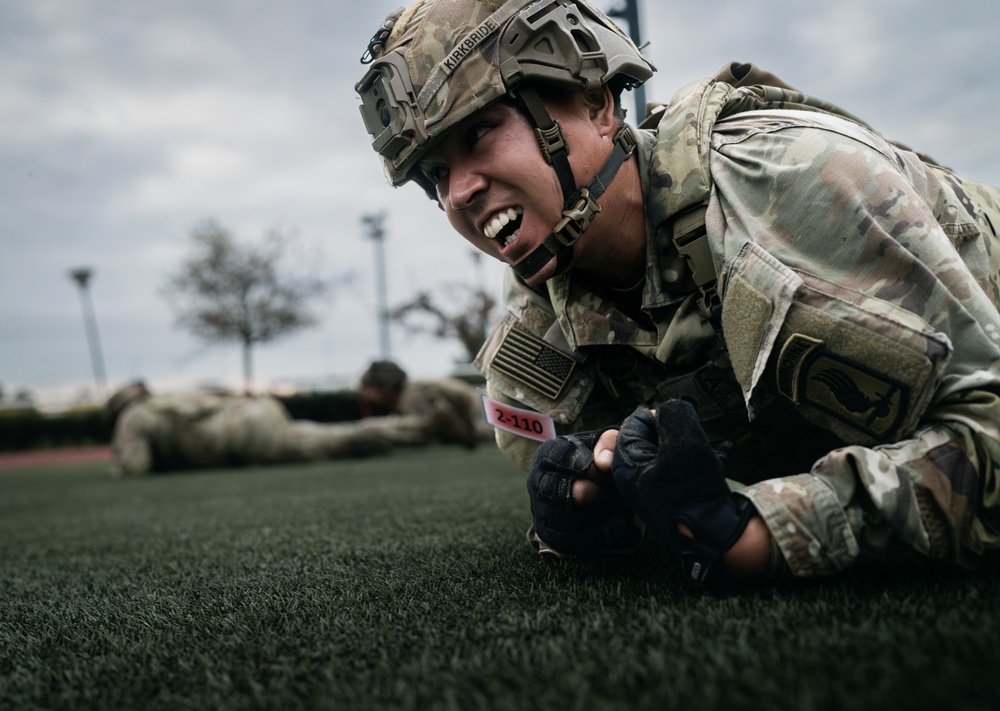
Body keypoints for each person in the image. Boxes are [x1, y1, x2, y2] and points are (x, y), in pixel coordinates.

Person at [355, 0, 1000, 585]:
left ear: (597, 105)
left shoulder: (787, 182)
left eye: (478, 133)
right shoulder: (543, 308)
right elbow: (569, 473)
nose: (459, 192)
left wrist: (759, 533)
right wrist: (590, 507)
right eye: (436, 174)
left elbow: (989, 439)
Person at [105, 379, 479, 476]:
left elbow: (135, 466)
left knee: (340, 438)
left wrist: (118, 468)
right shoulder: (164, 400)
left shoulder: (132, 418)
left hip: (249, 437)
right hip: (257, 412)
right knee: (339, 434)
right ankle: (423, 427)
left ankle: (425, 427)